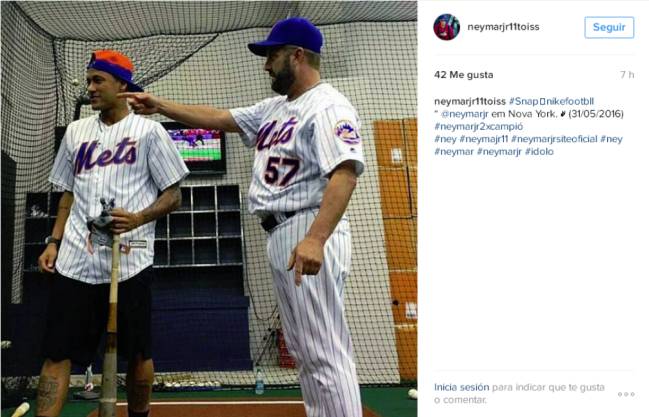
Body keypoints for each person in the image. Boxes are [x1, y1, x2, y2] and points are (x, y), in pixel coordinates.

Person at [120, 17, 364, 417]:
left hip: (306, 225)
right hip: (283, 232)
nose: (266, 64)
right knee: (306, 350)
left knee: (323, 350)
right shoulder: (277, 107)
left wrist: (316, 238)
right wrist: (159, 104)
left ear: (297, 56)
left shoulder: (328, 105)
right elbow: (220, 118)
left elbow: (345, 172)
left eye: (272, 55)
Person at [36, 49, 189, 417]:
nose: (89, 88)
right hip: (76, 259)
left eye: (97, 80)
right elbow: (67, 193)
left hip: (130, 260)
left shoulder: (149, 132)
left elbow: (173, 196)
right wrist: (54, 242)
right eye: (88, 80)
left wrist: (138, 217)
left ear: (121, 86)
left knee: (138, 353)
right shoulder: (75, 132)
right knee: (57, 351)